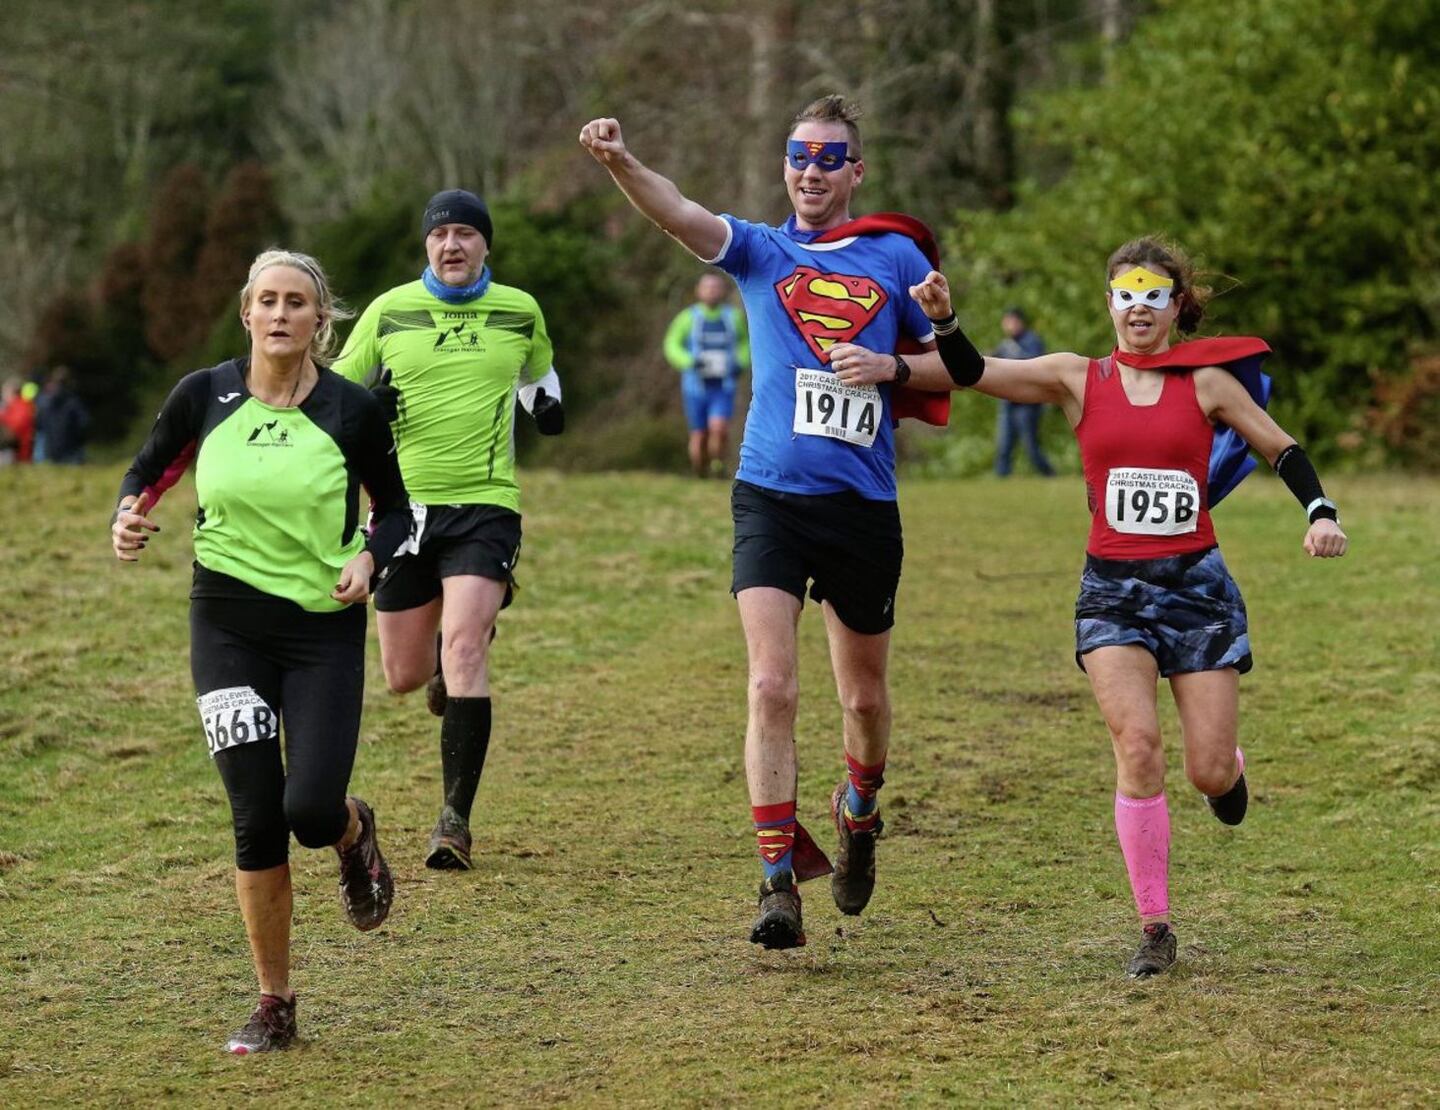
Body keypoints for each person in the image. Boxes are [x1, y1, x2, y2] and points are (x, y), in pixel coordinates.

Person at [907, 236, 1348, 978]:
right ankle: (1154, 926)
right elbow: (976, 373)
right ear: (1108, 301)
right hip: (1112, 590)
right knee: (1138, 747)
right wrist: (947, 322)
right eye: (1125, 294)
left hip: (1197, 590)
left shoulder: (1208, 384)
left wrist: (1320, 510)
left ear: (1178, 306)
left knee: (1205, 771)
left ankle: (1225, 771)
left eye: (1154, 295)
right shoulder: (1077, 377)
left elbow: (1281, 448)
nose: (1138, 308)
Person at [581, 96, 957, 950]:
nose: (811, 171)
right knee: (770, 685)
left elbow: (954, 366)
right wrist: (619, 162)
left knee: (862, 700)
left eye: (830, 158)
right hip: (769, 496)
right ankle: (777, 879)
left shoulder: (896, 256)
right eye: (798, 155)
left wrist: (894, 361)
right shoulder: (759, 249)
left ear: (856, 172)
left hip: (861, 505)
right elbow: (677, 211)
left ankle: (859, 810)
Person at [111, 249, 411, 1053]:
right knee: (255, 816)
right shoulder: (204, 395)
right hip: (227, 624)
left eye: (297, 303)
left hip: (321, 629)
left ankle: (353, 833)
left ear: (321, 321)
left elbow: (396, 512)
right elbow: (148, 470)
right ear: (247, 313)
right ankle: (274, 1004)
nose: (280, 315)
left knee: (307, 811)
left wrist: (369, 558)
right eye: (267, 301)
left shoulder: (351, 410)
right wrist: (128, 515)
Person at [333, 189, 563, 872]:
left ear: (486, 244)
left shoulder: (519, 311)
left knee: (466, 650)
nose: (452, 245)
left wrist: (547, 407)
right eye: (441, 235)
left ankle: (454, 821)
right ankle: (444, 651)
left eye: (466, 233)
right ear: (426, 245)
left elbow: (541, 379)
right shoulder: (388, 311)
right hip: (401, 509)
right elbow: (334, 399)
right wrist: (366, 408)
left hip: (486, 505)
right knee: (405, 678)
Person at [663, 270, 750, 477]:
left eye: (716, 287)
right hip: (695, 387)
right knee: (699, 434)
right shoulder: (687, 318)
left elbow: (745, 344)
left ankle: (717, 466)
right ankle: (699, 471)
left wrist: (740, 363)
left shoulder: (733, 317)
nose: (712, 291)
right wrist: (690, 362)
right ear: (698, 291)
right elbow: (671, 344)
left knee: (719, 429)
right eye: (707, 287)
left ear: (722, 291)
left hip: (723, 386)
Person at [992, 308, 1054, 477]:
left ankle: (1049, 474)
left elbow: (1037, 365)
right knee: (1004, 444)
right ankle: (1001, 478)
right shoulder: (1005, 345)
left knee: (1030, 445)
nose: (1008, 325)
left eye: (1011, 321)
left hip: (1028, 403)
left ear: (1020, 322)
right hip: (1008, 401)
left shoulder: (1032, 341)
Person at [33, 366, 89, 464]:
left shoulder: (45, 402)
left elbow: (39, 424)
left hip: (50, 451)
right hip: (71, 451)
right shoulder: (74, 402)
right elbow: (84, 424)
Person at [0, 376, 36, 463]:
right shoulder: (13, 407)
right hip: (17, 450)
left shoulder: (21, 406)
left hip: (19, 452)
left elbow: (15, 427)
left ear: (12, 393)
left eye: (5, 392)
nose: (3, 395)